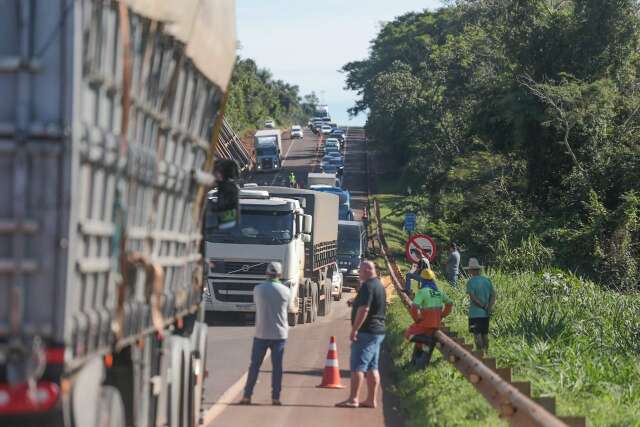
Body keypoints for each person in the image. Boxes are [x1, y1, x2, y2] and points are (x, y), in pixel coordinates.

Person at [336, 261, 386, 409]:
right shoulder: (379, 285)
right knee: (372, 367)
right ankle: (371, 400)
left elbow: (364, 309)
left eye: (360, 271)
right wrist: (355, 302)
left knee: (358, 366)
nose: (359, 274)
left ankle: (353, 399)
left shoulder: (367, 286)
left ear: (366, 271)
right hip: (377, 331)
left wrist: (354, 329)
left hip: (366, 332)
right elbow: (367, 304)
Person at [240, 262, 291, 406]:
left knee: (255, 366)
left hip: (261, 333)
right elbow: (287, 307)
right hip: (279, 334)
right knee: (277, 367)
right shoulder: (286, 291)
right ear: (280, 275)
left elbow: (256, 304)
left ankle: (247, 396)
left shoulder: (258, 289)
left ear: (266, 273)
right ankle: (276, 397)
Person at [405, 272, 453, 369]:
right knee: (421, 344)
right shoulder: (439, 292)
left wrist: (417, 319)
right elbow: (450, 303)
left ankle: (429, 341)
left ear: (422, 280)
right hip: (436, 324)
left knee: (409, 334)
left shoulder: (423, 291)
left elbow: (414, 308)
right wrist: (442, 315)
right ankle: (416, 363)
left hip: (425, 323)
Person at [464, 258, 496, 353]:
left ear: (472, 270)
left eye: (469, 270)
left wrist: (482, 306)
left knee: (477, 334)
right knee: (485, 334)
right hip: (485, 314)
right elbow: (493, 295)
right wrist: (488, 307)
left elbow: (472, 297)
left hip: (474, 313)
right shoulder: (487, 280)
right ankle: (486, 352)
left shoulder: (470, 282)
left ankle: (480, 354)